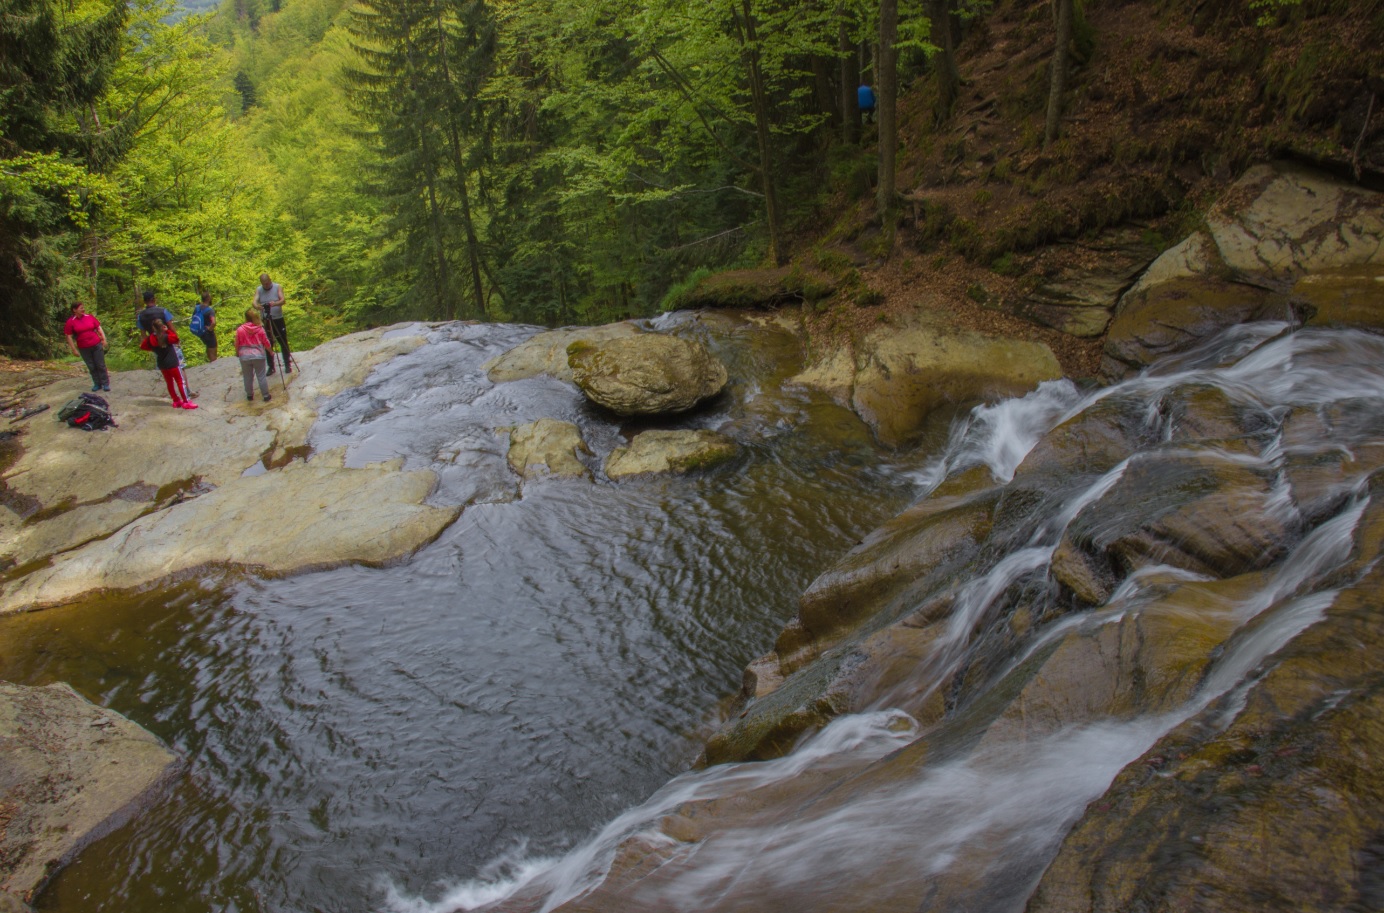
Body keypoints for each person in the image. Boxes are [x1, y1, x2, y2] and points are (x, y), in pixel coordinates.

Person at [136, 290, 195, 398]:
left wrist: (150, 345)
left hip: (155, 344)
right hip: (169, 342)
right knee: (179, 366)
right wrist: (176, 340)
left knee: (166, 369)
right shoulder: (163, 311)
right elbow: (171, 327)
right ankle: (186, 392)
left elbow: (143, 334)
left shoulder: (141, 316)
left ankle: (174, 396)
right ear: (154, 299)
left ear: (144, 302)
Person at [140, 317, 198, 409]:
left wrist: (153, 348)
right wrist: (168, 331)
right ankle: (186, 401)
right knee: (180, 381)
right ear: (163, 326)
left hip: (162, 364)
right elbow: (176, 339)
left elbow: (143, 346)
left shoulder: (150, 339)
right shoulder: (166, 336)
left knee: (169, 382)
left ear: (153, 328)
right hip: (173, 362)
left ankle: (175, 400)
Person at [63, 301, 110, 392]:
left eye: (83, 308)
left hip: (96, 344)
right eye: (81, 308)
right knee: (91, 366)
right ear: (74, 310)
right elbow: (68, 336)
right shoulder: (70, 322)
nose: (83, 309)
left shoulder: (90, 317)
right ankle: (97, 383)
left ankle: (105, 383)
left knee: (100, 364)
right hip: (83, 347)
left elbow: (99, 328)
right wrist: (74, 349)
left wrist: (104, 339)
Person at [254, 273, 291, 375]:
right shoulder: (259, 289)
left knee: (283, 341)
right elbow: (254, 302)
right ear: (261, 283)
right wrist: (258, 306)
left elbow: (283, 300)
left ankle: (287, 364)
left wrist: (274, 303)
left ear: (270, 280)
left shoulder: (277, 287)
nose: (266, 285)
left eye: (268, 283)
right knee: (267, 343)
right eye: (264, 284)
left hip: (278, 319)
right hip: (266, 320)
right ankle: (271, 366)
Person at [234, 308, 274, 403]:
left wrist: (237, 353)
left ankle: (249, 395)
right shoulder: (260, 329)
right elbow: (266, 342)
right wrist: (270, 351)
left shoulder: (240, 330)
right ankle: (266, 395)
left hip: (244, 356)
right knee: (261, 376)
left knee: (247, 376)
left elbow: (236, 343)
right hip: (258, 355)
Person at [191, 291, 218, 362]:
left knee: (208, 346)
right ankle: (214, 364)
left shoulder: (197, 308)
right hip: (208, 332)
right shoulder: (210, 310)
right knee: (212, 348)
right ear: (208, 298)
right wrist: (209, 329)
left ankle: (210, 360)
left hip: (200, 332)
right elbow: (213, 322)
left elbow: (193, 318)